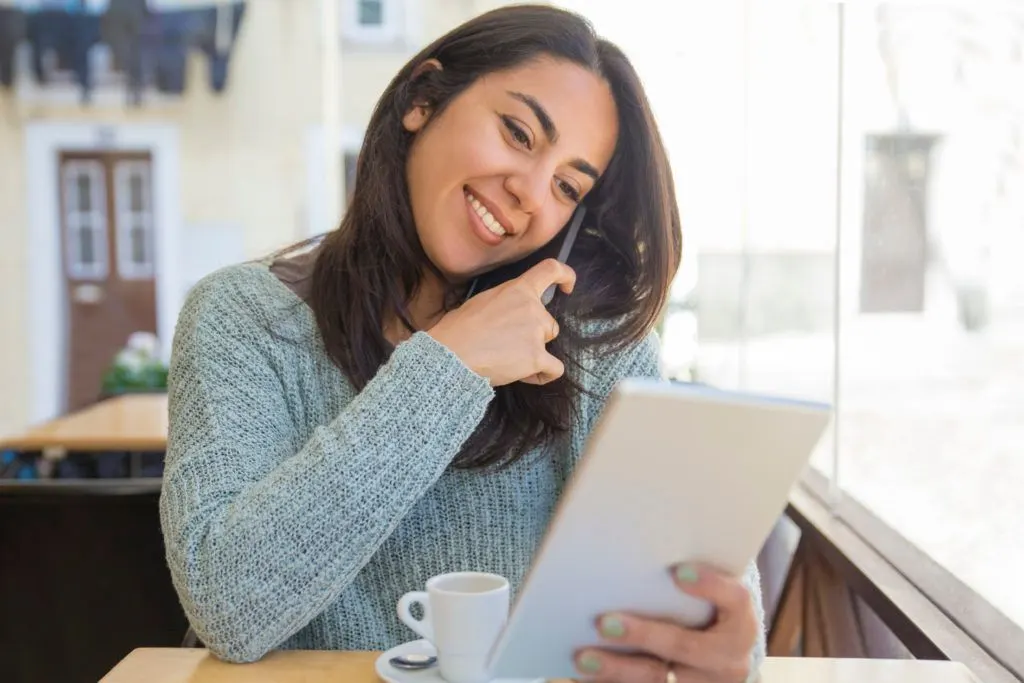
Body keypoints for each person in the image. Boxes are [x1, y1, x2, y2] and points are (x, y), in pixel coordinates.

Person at [159, 4, 765, 682]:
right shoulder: (242, 317)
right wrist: (449, 364)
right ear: (423, 99)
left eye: (568, 185)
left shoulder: (591, 340)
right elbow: (229, 607)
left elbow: (707, 587)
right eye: (518, 132)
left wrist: (725, 645)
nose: (530, 193)